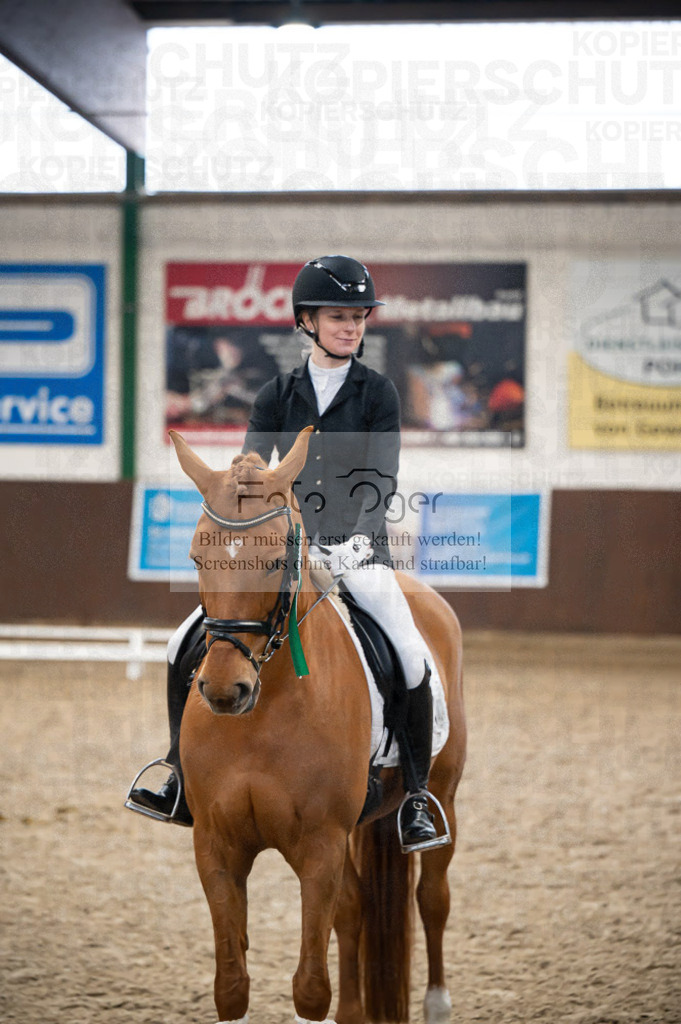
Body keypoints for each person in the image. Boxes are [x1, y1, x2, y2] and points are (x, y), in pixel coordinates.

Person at [127, 255, 444, 852]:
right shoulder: (277, 392)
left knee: (408, 649)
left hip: (358, 551)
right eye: (338, 317)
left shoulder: (379, 393)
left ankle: (418, 798)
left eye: (358, 318)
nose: (351, 327)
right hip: (285, 549)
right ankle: (176, 773)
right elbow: (250, 474)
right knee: (181, 643)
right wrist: (249, 525)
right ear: (307, 321)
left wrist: (355, 537)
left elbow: (382, 477)